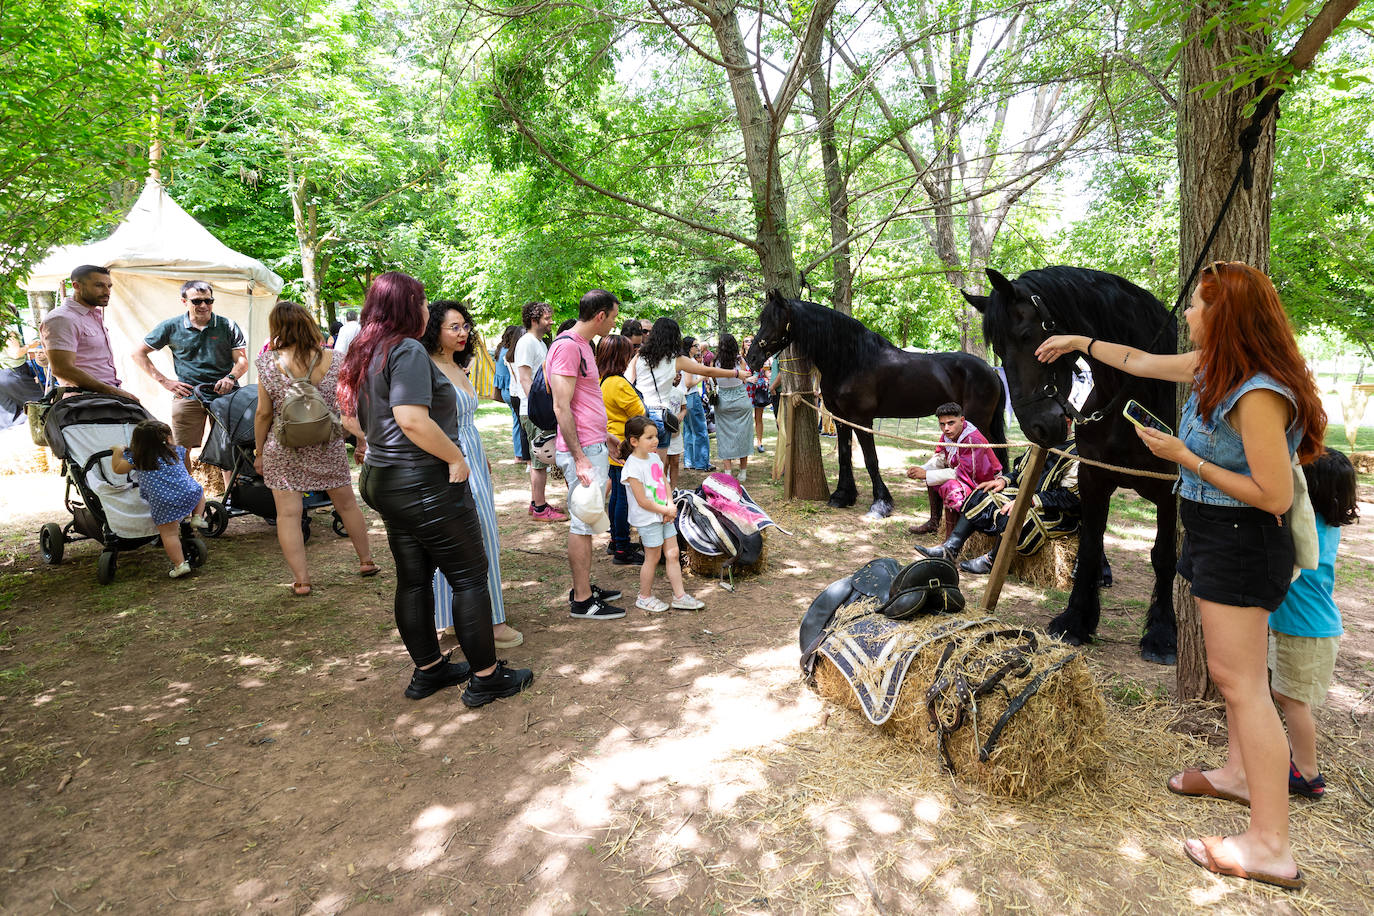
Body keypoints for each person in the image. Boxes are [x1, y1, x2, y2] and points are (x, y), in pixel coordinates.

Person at [1037, 260, 1325, 890]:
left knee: (1245, 684)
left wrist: (1183, 456)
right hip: (1216, 534)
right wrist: (1078, 342)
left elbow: (1273, 496)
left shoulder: (1257, 395)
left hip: (1243, 542)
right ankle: (1237, 775)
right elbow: (1137, 361)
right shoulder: (1212, 368)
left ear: (1229, 316)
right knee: (1233, 678)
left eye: (1198, 305)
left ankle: (1271, 845)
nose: (1188, 314)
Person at [339, 272, 532, 705]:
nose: (426, 309)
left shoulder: (366, 350)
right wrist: (455, 458)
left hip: (384, 479)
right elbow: (411, 418)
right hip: (420, 483)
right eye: (422, 301)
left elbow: (354, 416)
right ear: (408, 307)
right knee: (468, 576)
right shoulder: (405, 349)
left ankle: (429, 670)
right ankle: (486, 677)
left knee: (414, 579)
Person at [253, 301, 376, 597]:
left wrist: (258, 453)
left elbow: (263, 414)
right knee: (346, 504)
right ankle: (366, 560)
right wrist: (359, 438)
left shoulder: (268, 362)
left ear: (277, 328)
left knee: (288, 515)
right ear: (309, 323)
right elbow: (349, 403)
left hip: (284, 447)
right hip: (327, 442)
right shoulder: (335, 358)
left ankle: (302, 580)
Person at [421, 302, 523, 649]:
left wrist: (480, 458)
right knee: (463, 536)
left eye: (465, 326)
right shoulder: (426, 367)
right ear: (435, 329)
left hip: (472, 454)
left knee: (483, 533)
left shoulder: (455, 363)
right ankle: (484, 621)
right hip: (449, 456)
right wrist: (456, 457)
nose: (463, 333)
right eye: (454, 327)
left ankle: (477, 615)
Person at [1271, 448, 1357, 800]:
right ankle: (1298, 762)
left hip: (1307, 631)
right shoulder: (1325, 522)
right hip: (1302, 627)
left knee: (1294, 702)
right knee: (1286, 695)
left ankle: (1307, 774)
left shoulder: (1309, 528)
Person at [917, 431, 1110, 584]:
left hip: (1056, 512)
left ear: (1065, 421)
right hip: (1025, 495)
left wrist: (1028, 501)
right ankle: (950, 549)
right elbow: (1020, 471)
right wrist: (1003, 480)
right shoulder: (1042, 440)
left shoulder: (1077, 452)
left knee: (1013, 514)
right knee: (981, 494)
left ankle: (994, 561)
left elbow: (1071, 497)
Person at [551, 289, 627, 620]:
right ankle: (582, 600)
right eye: (612, 316)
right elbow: (561, 405)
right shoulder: (568, 347)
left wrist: (605, 435)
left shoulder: (583, 345)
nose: (613, 323)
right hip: (582, 451)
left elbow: (584, 401)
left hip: (594, 443)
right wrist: (581, 456)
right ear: (600, 316)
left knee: (589, 518)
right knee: (583, 523)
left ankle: (584, 587)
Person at [133, 281, 249, 489]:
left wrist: (230, 378)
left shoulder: (227, 325)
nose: (203, 305)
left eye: (208, 300)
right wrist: (165, 381)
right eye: (197, 301)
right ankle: (186, 493)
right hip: (188, 394)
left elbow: (242, 361)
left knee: (231, 444)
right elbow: (138, 353)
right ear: (184, 301)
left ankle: (233, 494)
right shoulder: (170, 326)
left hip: (225, 394)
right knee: (180, 448)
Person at [620, 416, 705, 612]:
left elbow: (664, 483)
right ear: (634, 441)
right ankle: (644, 596)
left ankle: (680, 596)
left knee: (673, 553)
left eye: (656, 436)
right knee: (653, 557)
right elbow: (642, 500)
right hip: (649, 518)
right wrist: (665, 510)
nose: (656, 441)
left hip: (664, 513)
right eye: (649, 438)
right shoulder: (632, 467)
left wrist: (670, 505)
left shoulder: (654, 458)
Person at [634, 318, 748, 464]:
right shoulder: (676, 359)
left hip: (639, 411)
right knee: (657, 467)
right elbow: (707, 370)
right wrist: (736, 374)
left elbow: (628, 380)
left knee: (639, 463)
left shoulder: (640, 355)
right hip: (659, 415)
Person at [109, 419, 207, 578]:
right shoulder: (177, 451)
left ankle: (180, 565)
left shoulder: (138, 457)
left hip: (164, 501)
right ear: (167, 438)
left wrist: (118, 451)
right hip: (189, 493)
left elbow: (118, 469)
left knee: (169, 534)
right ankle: (198, 517)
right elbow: (187, 470)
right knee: (199, 490)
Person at [40, 265, 136, 399]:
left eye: (109, 286)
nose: (107, 292)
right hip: (83, 403)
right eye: (99, 285)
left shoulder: (92, 315)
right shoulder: (62, 318)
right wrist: (115, 392)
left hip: (104, 397)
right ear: (76, 286)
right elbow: (62, 369)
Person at [906, 402, 1002, 535]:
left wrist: (926, 474)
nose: (946, 428)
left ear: (962, 420)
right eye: (942, 424)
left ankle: (951, 540)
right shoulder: (949, 434)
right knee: (931, 475)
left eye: (951, 423)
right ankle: (934, 522)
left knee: (951, 487)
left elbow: (964, 473)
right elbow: (941, 457)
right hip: (968, 476)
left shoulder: (971, 439)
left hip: (986, 482)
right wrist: (922, 469)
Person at [512, 301, 566, 521]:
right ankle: (541, 509)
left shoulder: (539, 342)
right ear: (535, 320)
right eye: (547, 318)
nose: (551, 321)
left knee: (540, 460)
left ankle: (536, 503)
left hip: (538, 409)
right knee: (539, 460)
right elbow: (524, 377)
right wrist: (539, 409)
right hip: (533, 411)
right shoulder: (526, 342)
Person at [597, 334, 647, 566]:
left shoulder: (602, 380)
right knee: (623, 498)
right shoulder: (618, 383)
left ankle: (617, 541)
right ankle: (622, 548)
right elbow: (640, 413)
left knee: (617, 494)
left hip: (613, 446)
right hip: (624, 447)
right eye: (629, 352)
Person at [712, 334, 756, 480]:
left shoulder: (715, 362)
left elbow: (715, 381)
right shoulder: (740, 360)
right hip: (741, 400)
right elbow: (745, 379)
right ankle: (743, 472)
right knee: (743, 435)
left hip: (723, 402)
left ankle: (728, 472)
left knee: (724, 436)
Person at [664, 371, 688, 488]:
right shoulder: (659, 393)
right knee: (664, 462)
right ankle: (663, 490)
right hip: (663, 433)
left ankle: (673, 488)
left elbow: (684, 408)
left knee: (675, 462)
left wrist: (681, 415)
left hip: (675, 433)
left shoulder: (679, 393)